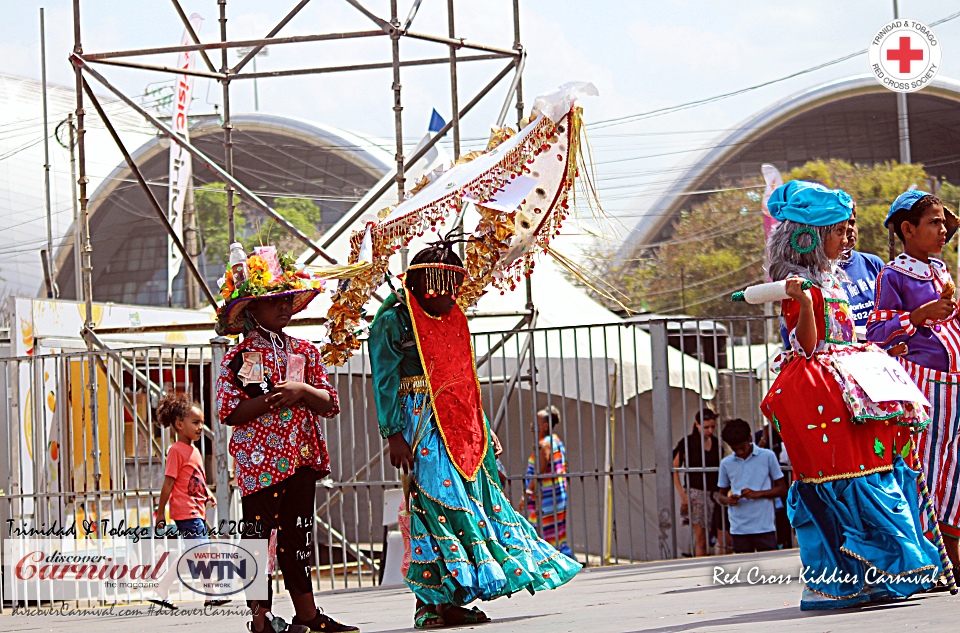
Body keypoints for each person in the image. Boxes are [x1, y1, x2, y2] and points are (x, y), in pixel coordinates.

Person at [368, 242, 581, 629]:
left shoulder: (454, 318)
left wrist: (482, 424)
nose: (448, 298)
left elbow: (465, 378)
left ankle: (454, 600)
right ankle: (428, 603)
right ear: (420, 284)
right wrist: (392, 434)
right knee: (432, 507)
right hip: (419, 425)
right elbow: (384, 379)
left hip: (463, 428)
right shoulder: (392, 320)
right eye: (439, 288)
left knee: (475, 508)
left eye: (453, 288)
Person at [760, 180, 940, 611]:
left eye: (849, 228)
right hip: (817, 390)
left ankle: (874, 573)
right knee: (834, 480)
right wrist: (804, 304)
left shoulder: (838, 275)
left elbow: (845, 333)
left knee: (872, 469)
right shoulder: (796, 282)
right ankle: (834, 582)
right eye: (839, 230)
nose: (848, 237)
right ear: (810, 237)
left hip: (848, 382)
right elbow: (807, 345)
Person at [215, 247, 358, 633]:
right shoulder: (237, 358)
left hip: (300, 458)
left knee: (299, 535)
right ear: (251, 310)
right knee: (258, 539)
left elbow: (330, 403)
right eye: (272, 302)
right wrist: (270, 400)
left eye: (286, 300)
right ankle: (260, 620)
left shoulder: (306, 351)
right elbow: (228, 411)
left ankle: (307, 617)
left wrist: (301, 391)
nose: (283, 307)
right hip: (259, 465)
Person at [866, 190, 960, 572]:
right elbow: (876, 332)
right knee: (927, 469)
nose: (943, 230)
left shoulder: (941, 271)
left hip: (955, 382)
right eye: (934, 222)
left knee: (954, 470)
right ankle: (933, 558)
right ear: (908, 229)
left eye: (943, 223)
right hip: (925, 386)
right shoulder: (893, 275)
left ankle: (951, 552)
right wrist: (918, 315)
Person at [150, 393, 226, 610]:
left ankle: (165, 587)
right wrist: (161, 511)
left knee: (198, 553)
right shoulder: (176, 451)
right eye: (195, 423)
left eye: (202, 423)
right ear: (179, 424)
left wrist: (207, 495)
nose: (200, 427)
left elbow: (196, 480)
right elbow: (168, 483)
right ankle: (208, 594)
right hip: (185, 513)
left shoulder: (194, 451)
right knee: (200, 552)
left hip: (197, 510)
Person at [717, 419, 786, 554]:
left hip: (764, 527)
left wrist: (758, 494)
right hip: (739, 528)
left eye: (742, 448)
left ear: (749, 438)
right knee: (744, 570)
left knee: (769, 568)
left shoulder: (767, 456)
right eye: (735, 449)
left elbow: (782, 489)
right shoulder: (726, 463)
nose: (740, 452)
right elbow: (720, 495)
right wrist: (728, 500)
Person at [524, 405, 573, 558]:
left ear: (545, 426)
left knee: (539, 528)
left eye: (536, 422)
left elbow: (540, 471)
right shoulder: (555, 440)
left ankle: (547, 559)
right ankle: (561, 556)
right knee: (556, 530)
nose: (532, 425)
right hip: (557, 493)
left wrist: (528, 491)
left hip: (546, 497)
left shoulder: (545, 444)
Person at [672, 408, 720, 556]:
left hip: (714, 493)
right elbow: (674, 468)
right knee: (701, 538)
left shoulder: (716, 443)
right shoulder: (688, 443)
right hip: (695, 492)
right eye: (706, 427)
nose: (710, 431)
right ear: (697, 425)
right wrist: (682, 494)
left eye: (712, 427)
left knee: (716, 534)